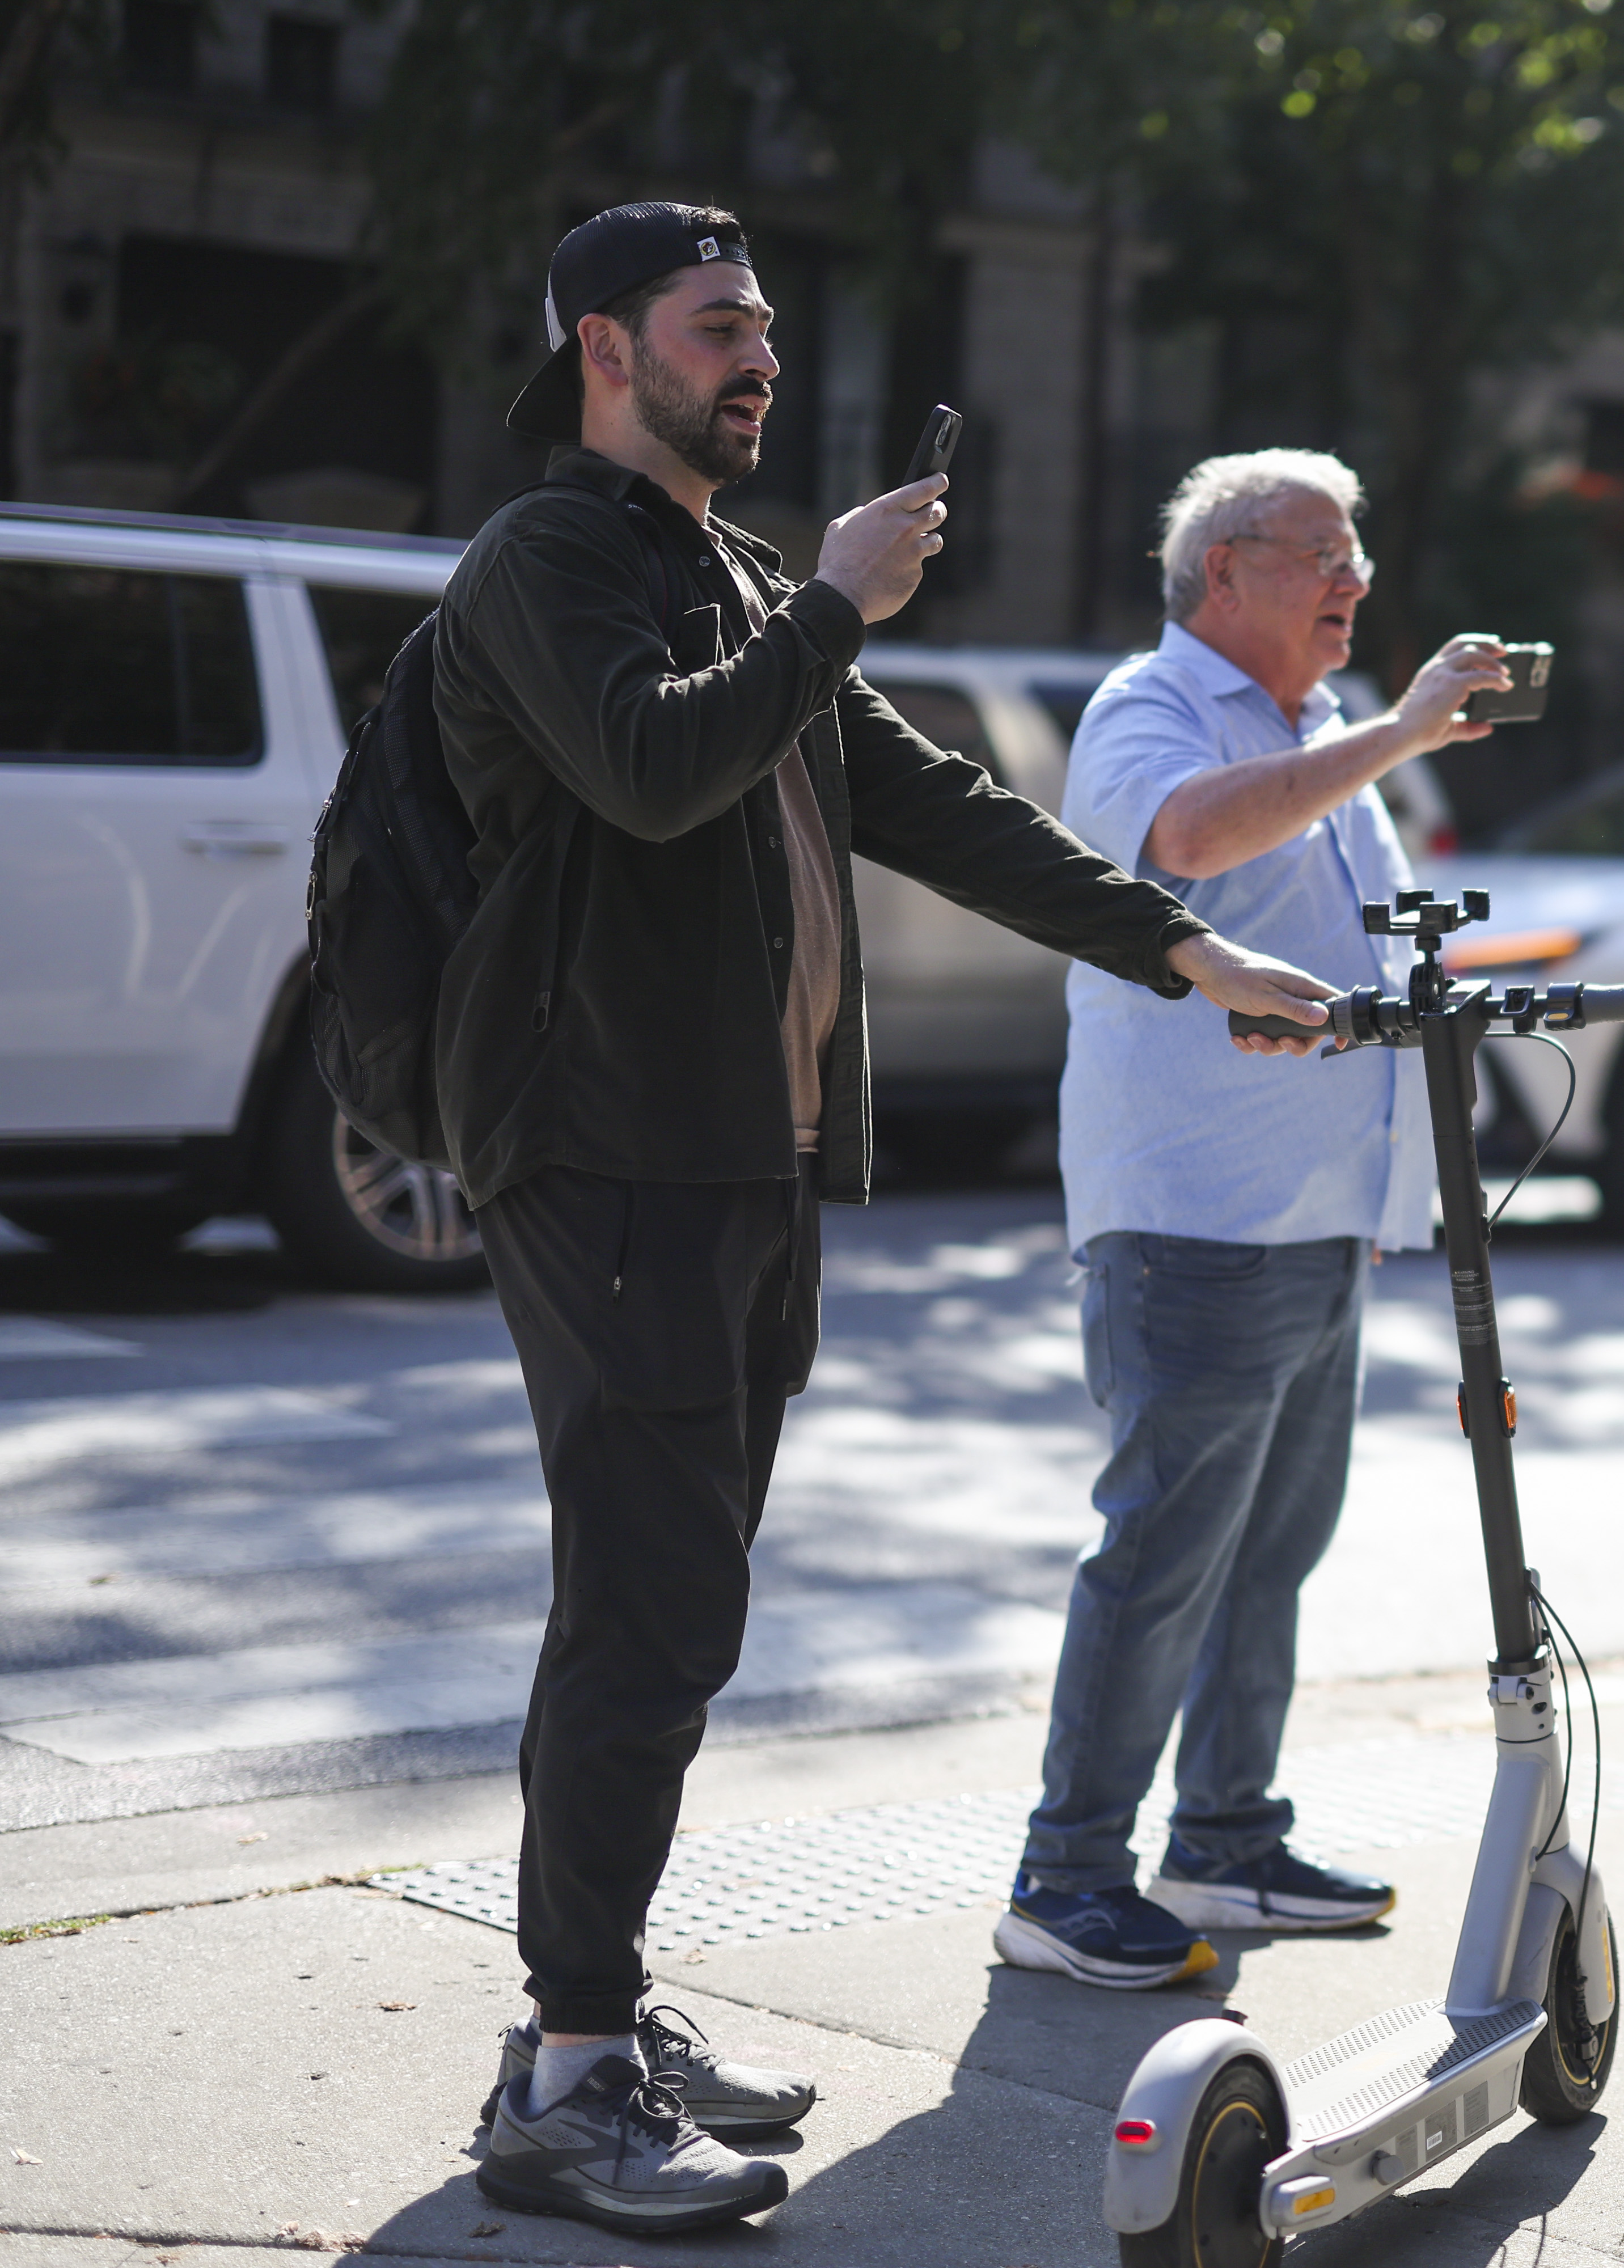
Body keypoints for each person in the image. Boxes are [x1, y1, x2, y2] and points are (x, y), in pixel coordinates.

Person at [435, 205, 1334, 2237]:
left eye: (766, 326)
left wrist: (1183, 947)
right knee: (647, 1612)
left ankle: (597, 2020)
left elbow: (930, 809)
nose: (759, 358)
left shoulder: (726, 575)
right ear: (605, 347)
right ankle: (568, 2076)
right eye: (716, 327)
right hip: (610, 1162)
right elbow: (656, 772)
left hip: (741, 1168)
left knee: (677, 1608)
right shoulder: (551, 559)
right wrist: (833, 606)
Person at [994, 450, 1512, 1990]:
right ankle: (1066, 1873)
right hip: (1197, 1213)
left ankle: (1223, 1840)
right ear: (1226, 573)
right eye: (1320, 557)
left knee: (1270, 1548)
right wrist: (1406, 735)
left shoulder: (1321, 727)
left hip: (1317, 1211)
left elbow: (1354, 941)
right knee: (1162, 1552)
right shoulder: (1149, 711)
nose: (1353, 582)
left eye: (1357, 556)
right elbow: (1192, 848)